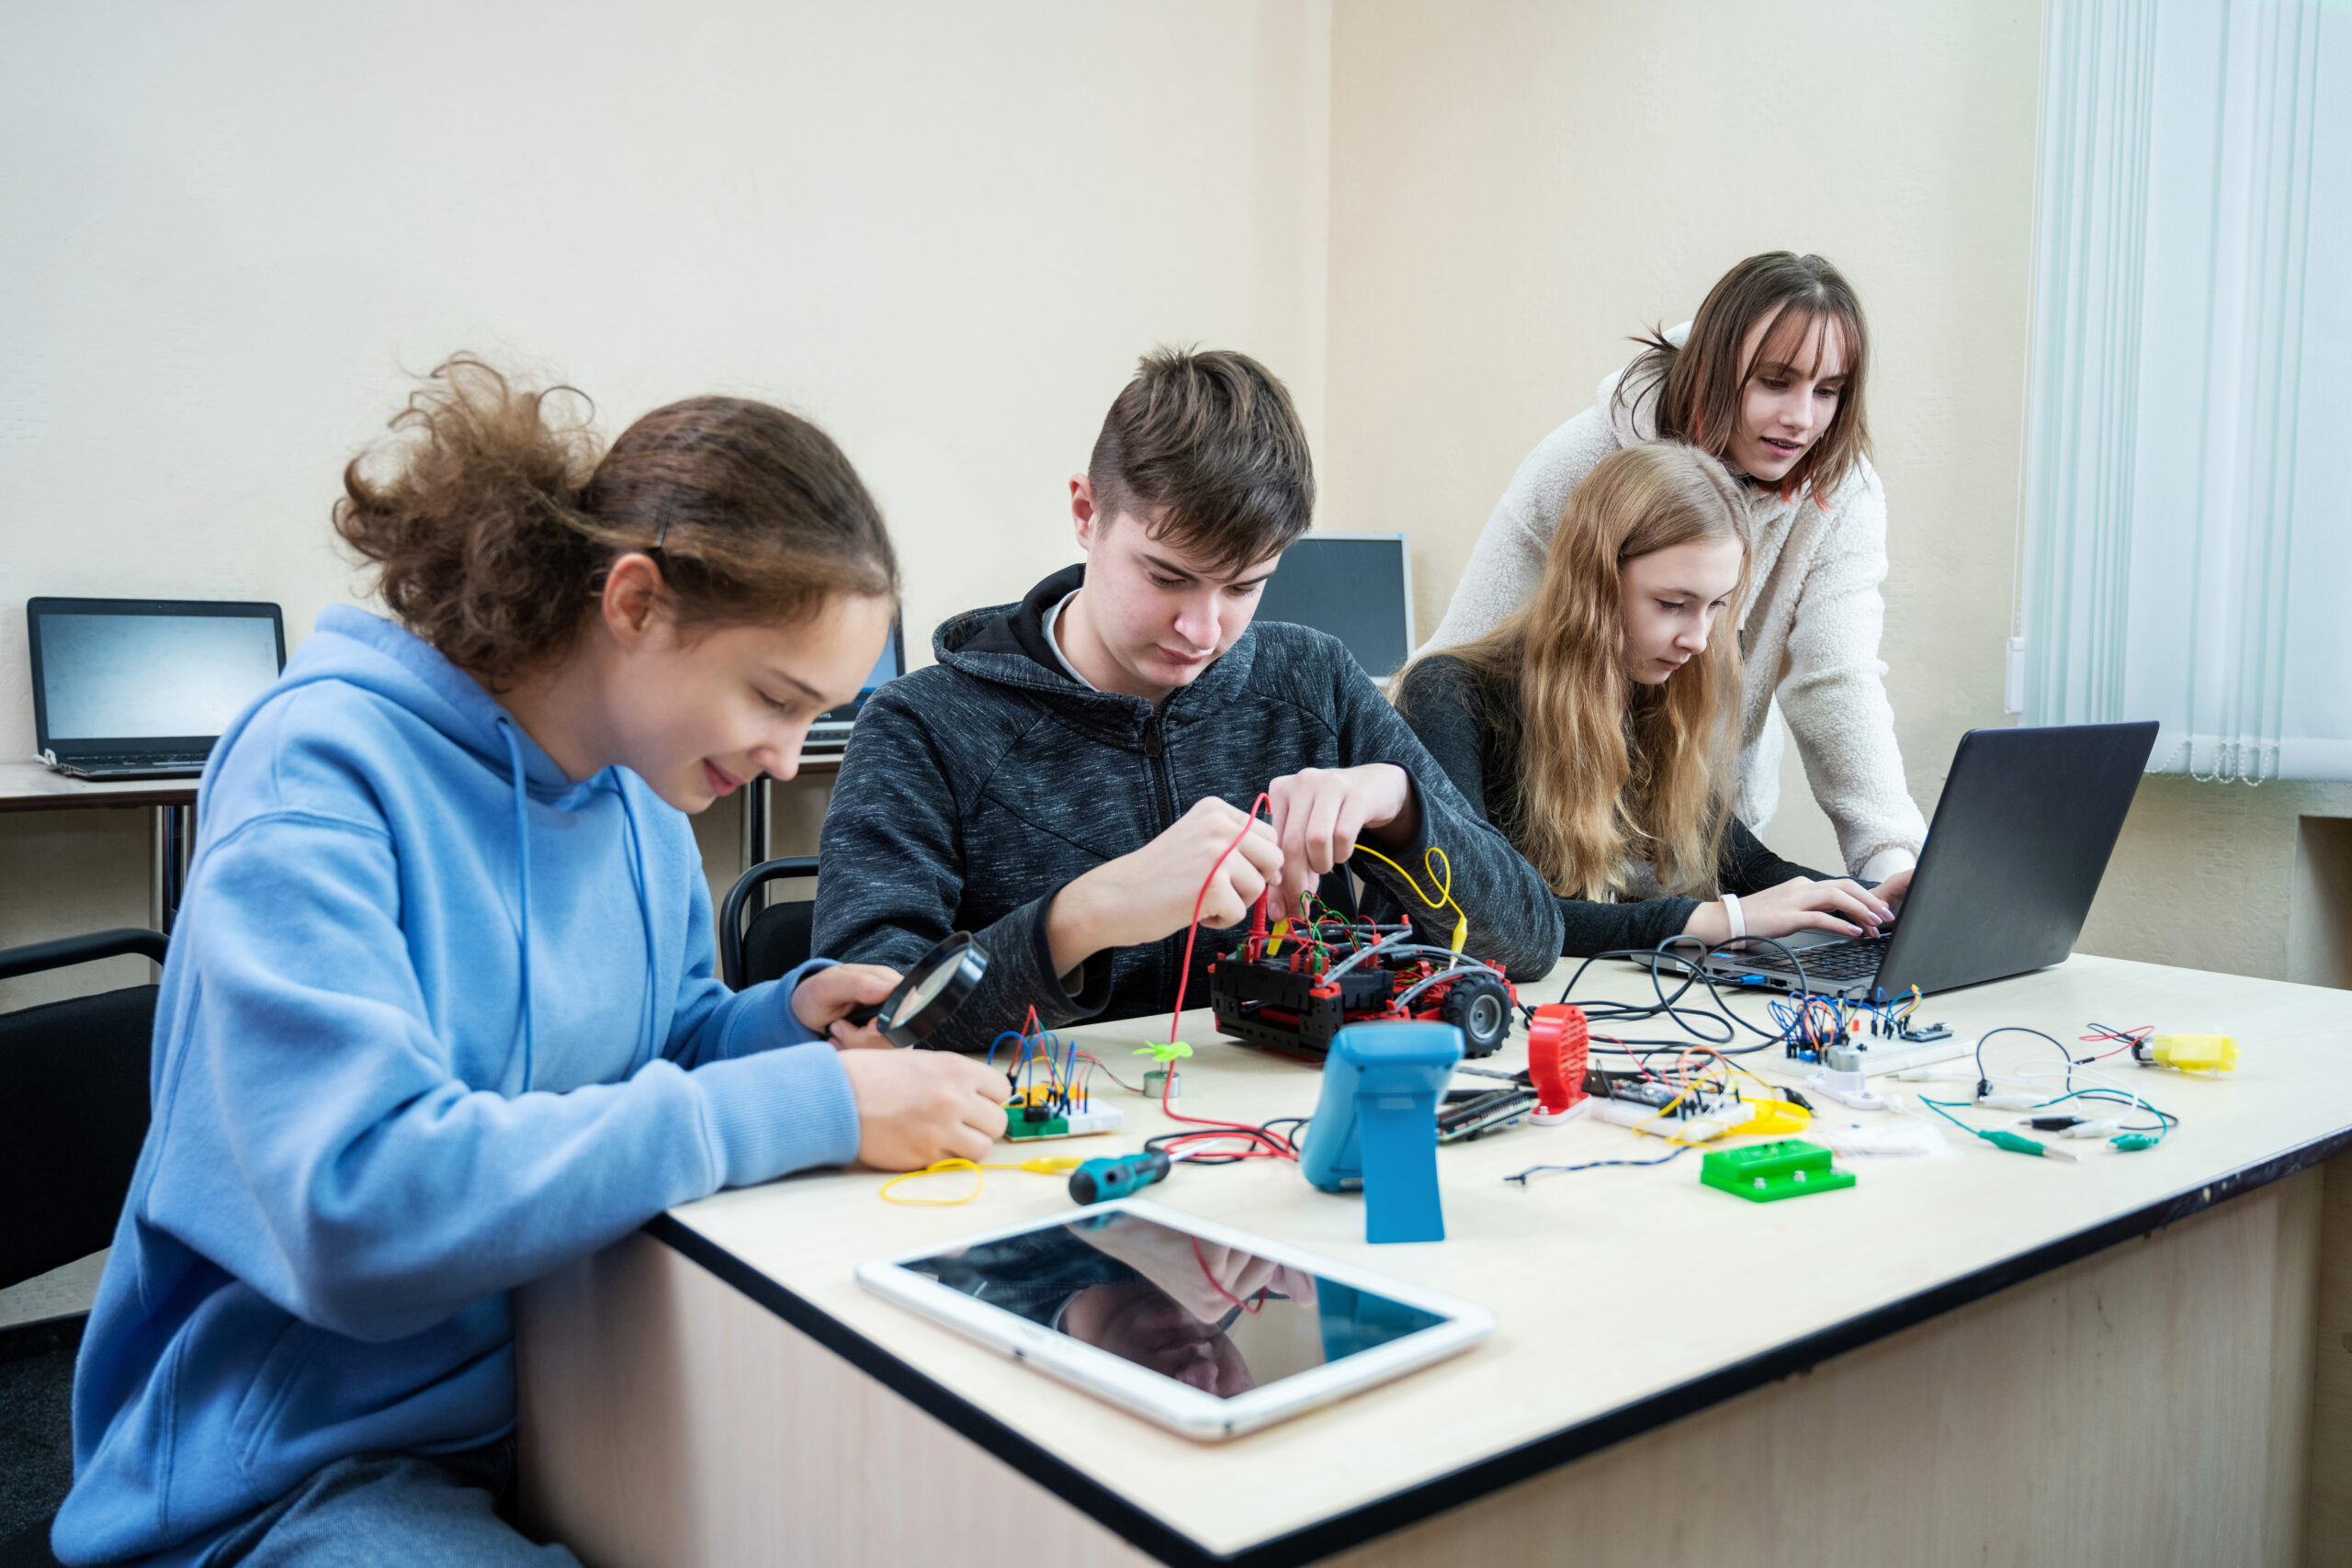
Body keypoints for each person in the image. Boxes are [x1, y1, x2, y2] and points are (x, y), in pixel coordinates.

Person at [52, 358, 1011, 1567]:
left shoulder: (638, 792)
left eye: (814, 714)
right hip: (296, 1467)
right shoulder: (320, 772)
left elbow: (655, 1047)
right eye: (774, 697)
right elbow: (357, 1204)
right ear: (634, 604)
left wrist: (782, 1023)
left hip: (567, 1393)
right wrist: (811, 1102)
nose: (785, 757)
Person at [813, 347, 1564, 1053]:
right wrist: (1084, 916)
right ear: (1086, 513)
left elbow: (1532, 941)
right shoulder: (921, 725)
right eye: (1167, 577)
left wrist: (1402, 808)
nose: (1203, 631)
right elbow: (865, 1028)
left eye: (1243, 586)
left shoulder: (1315, 680)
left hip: (1287, 1129)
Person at [1420, 252, 1927, 881]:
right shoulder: (1584, 458)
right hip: (1537, 840)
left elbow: (1837, 678)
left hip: (1696, 828)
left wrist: (1890, 864)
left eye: (1827, 392)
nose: (1801, 419)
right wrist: (1453, 845)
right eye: (1775, 382)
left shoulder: (1842, 493)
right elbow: (1460, 670)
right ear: (1713, 369)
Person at [1393, 442, 1908, 957]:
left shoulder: (1650, 698)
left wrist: (1875, 901)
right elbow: (1476, 910)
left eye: (1716, 606)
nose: (1699, 640)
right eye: (1673, 604)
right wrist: (1715, 919)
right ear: (1594, 582)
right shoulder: (1447, 695)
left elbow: (1747, 867)